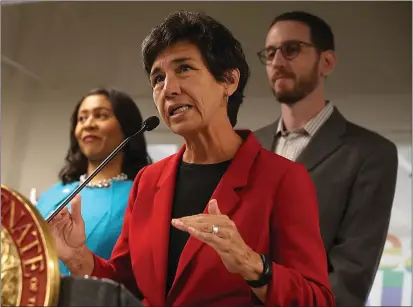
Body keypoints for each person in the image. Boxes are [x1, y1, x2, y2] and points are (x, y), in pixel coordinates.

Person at [48, 11, 335, 307]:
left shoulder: (283, 179)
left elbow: (318, 300)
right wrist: (77, 255)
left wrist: (252, 265)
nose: (169, 89)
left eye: (184, 68)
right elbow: (126, 283)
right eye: (158, 78)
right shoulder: (148, 181)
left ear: (229, 80)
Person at [254, 11, 398, 306]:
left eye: (291, 49)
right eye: (270, 53)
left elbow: (350, 276)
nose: (278, 62)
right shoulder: (247, 146)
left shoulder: (370, 153)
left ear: (327, 62)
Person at [37, 87, 151, 275]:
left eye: (101, 116)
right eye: (82, 118)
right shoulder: (52, 194)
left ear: (127, 127)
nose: (88, 124)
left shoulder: (141, 195)